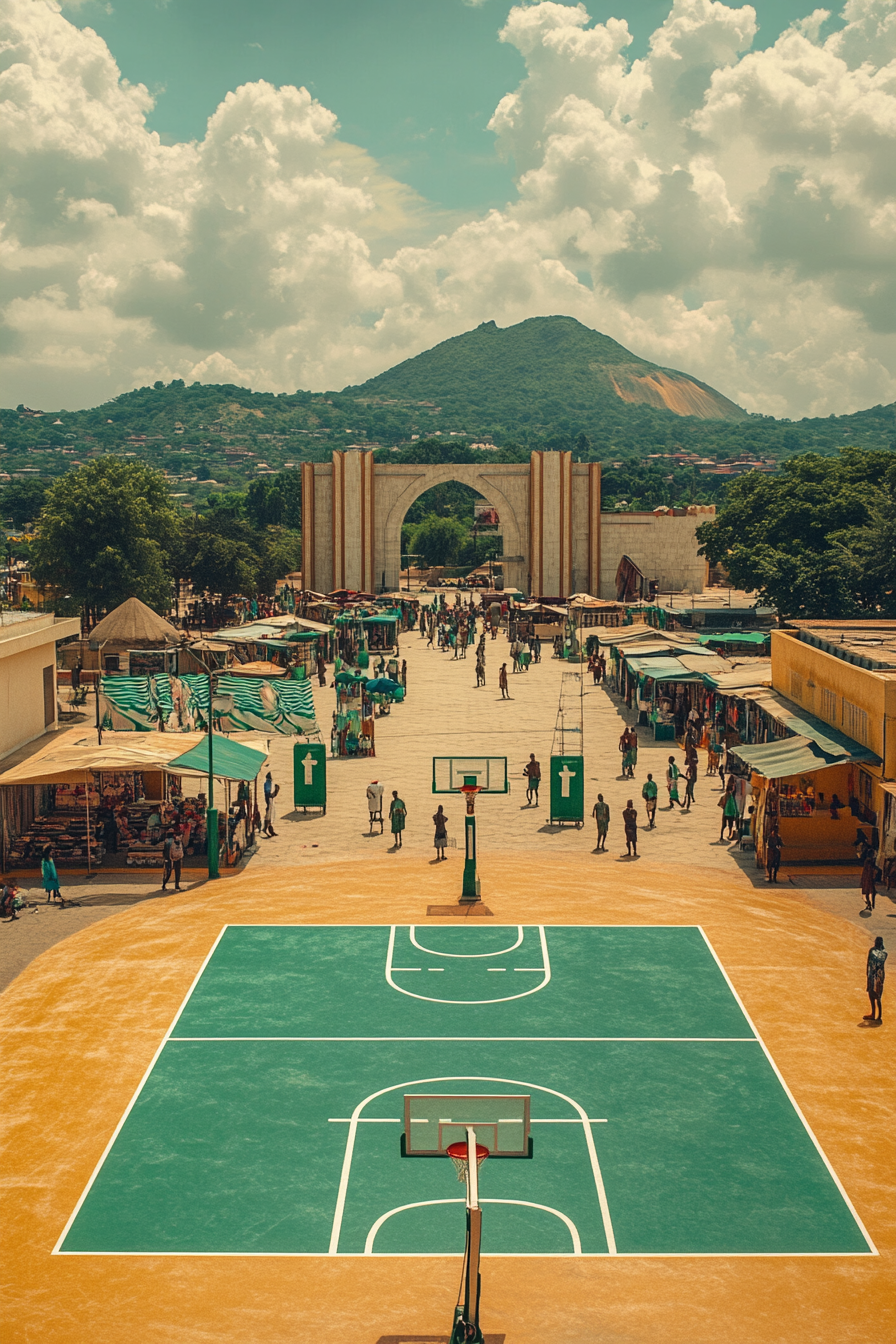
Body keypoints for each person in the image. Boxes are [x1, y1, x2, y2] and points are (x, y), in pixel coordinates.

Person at [864, 936, 886, 1024]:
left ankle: (874, 1015)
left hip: (873, 974)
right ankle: (877, 1016)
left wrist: (868, 974)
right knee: (877, 995)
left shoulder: (872, 951)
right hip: (880, 975)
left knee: (873, 994)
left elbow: (869, 963)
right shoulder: (885, 953)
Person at [861, 841, 878, 911]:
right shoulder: (873, 862)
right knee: (870, 891)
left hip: (865, 878)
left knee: (864, 894)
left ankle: (868, 904)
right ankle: (870, 904)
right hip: (871, 878)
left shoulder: (866, 862)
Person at [263, 772, 279, 837]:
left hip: (269, 800)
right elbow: (268, 793)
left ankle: (270, 830)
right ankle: (266, 830)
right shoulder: (268, 784)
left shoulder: (267, 783)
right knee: (269, 815)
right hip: (268, 800)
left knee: (270, 815)